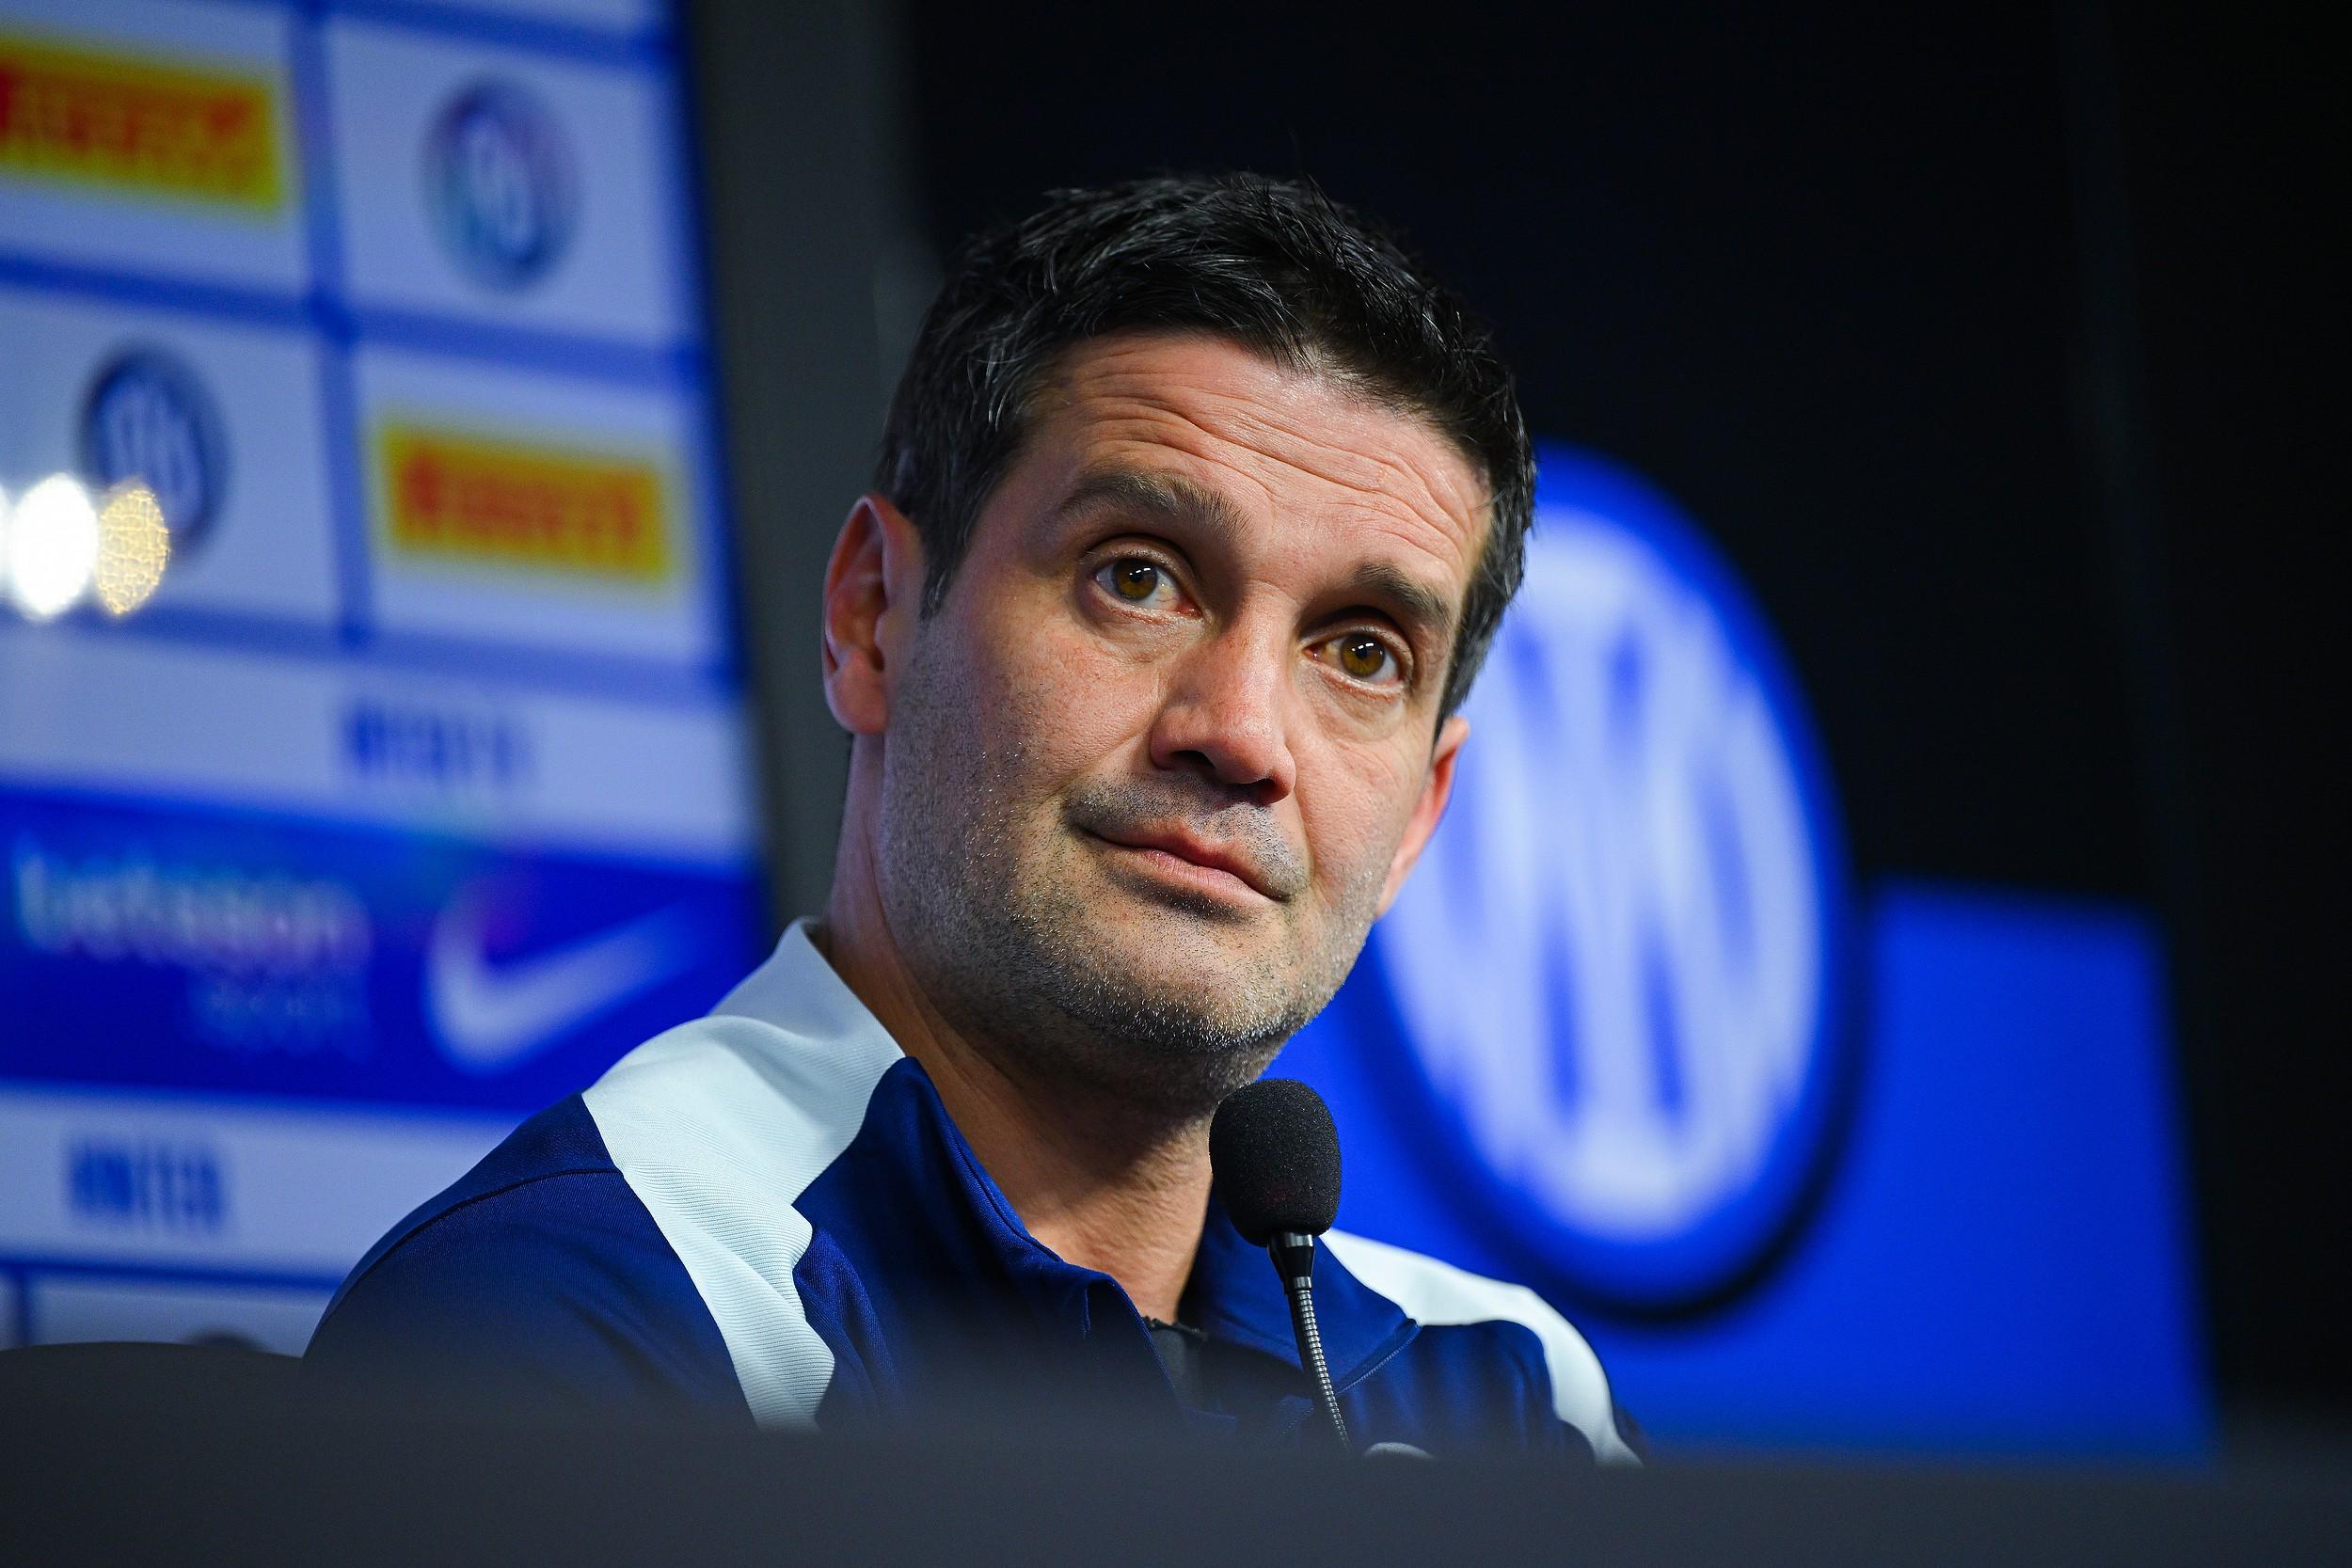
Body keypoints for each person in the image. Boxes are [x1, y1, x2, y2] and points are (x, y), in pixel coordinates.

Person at [306, 174, 1639, 1463]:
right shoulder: (578, 1317)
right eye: (1139, 577)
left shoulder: (1520, 1402)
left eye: (1360, 654)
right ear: (871, 619)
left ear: (1420, 815)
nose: (1241, 735)